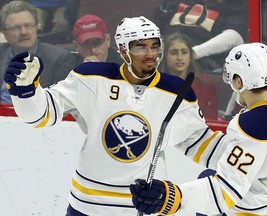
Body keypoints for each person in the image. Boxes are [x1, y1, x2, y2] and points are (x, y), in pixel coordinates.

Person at [4, 16, 226, 215]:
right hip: (88, 205)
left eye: (154, 47)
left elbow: (202, 145)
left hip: (143, 206)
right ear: (122, 49)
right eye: (140, 47)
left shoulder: (176, 93)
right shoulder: (91, 79)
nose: (150, 55)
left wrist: (249, 156)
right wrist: (25, 91)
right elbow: (40, 115)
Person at [130, 42, 267, 216]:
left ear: (239, 81)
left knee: (207, 192)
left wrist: (169, 198)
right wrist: (190, 135)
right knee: (206, 174)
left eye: (230, 77)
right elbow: (237, 153)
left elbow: (225, 192)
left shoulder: (254, 128)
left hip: (258, 210)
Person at [0, 1, 76, 104]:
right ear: (4, 32)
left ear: (36, 27)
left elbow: (59, 105)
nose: (24, 32)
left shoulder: (59, 59)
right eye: (15, 28)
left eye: (28, 26)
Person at [155, 0, 248, 72]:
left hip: (198, 58)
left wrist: (194, 53)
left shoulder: (237, 6)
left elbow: (234, 37)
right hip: (162, 48)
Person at [162, 31, 218, 119]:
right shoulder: (155, 85)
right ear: (164, 56)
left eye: (184, 52)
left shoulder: (205, 85)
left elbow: (211, 122)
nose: (180, 58)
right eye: (174, 53)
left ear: (190, 55)